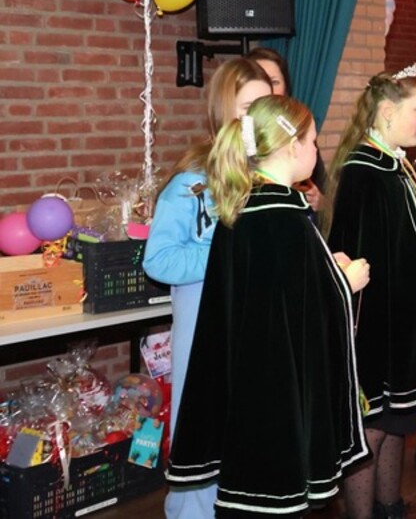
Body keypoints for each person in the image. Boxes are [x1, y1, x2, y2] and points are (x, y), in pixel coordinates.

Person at [165, 95, 371, 516]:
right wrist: (345, 283)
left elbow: (279, 292)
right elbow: (302, 314)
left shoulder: (245, 209)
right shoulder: (285, 218)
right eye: (313, 141)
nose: (317, 151)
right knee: (275, 499)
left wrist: (324, 270)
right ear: (293, 146)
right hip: (278, 391)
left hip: (248, 383)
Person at [327, 65, 416, 519]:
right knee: (372, 427)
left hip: (399, 320)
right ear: (386, 112)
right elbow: (368, 255)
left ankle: (389, 507)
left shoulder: (393, 163)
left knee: (396, 422)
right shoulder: (364, 170)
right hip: (373, 324)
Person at [144, 57, 273, 519]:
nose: (260, 117)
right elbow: (158, 260)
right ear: (225, 111)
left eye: (267, 105)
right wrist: (226, 252)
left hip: (256, 333)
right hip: (203, 336)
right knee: (201, 441)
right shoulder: (191, 183)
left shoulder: (270, 178)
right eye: (250, 106)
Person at [246, 46, 326, 212]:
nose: (268, 89)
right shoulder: (241, 138)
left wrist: (320, 202)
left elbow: (322, 189)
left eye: (274, 82)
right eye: (260, 80)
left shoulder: (301, 134)